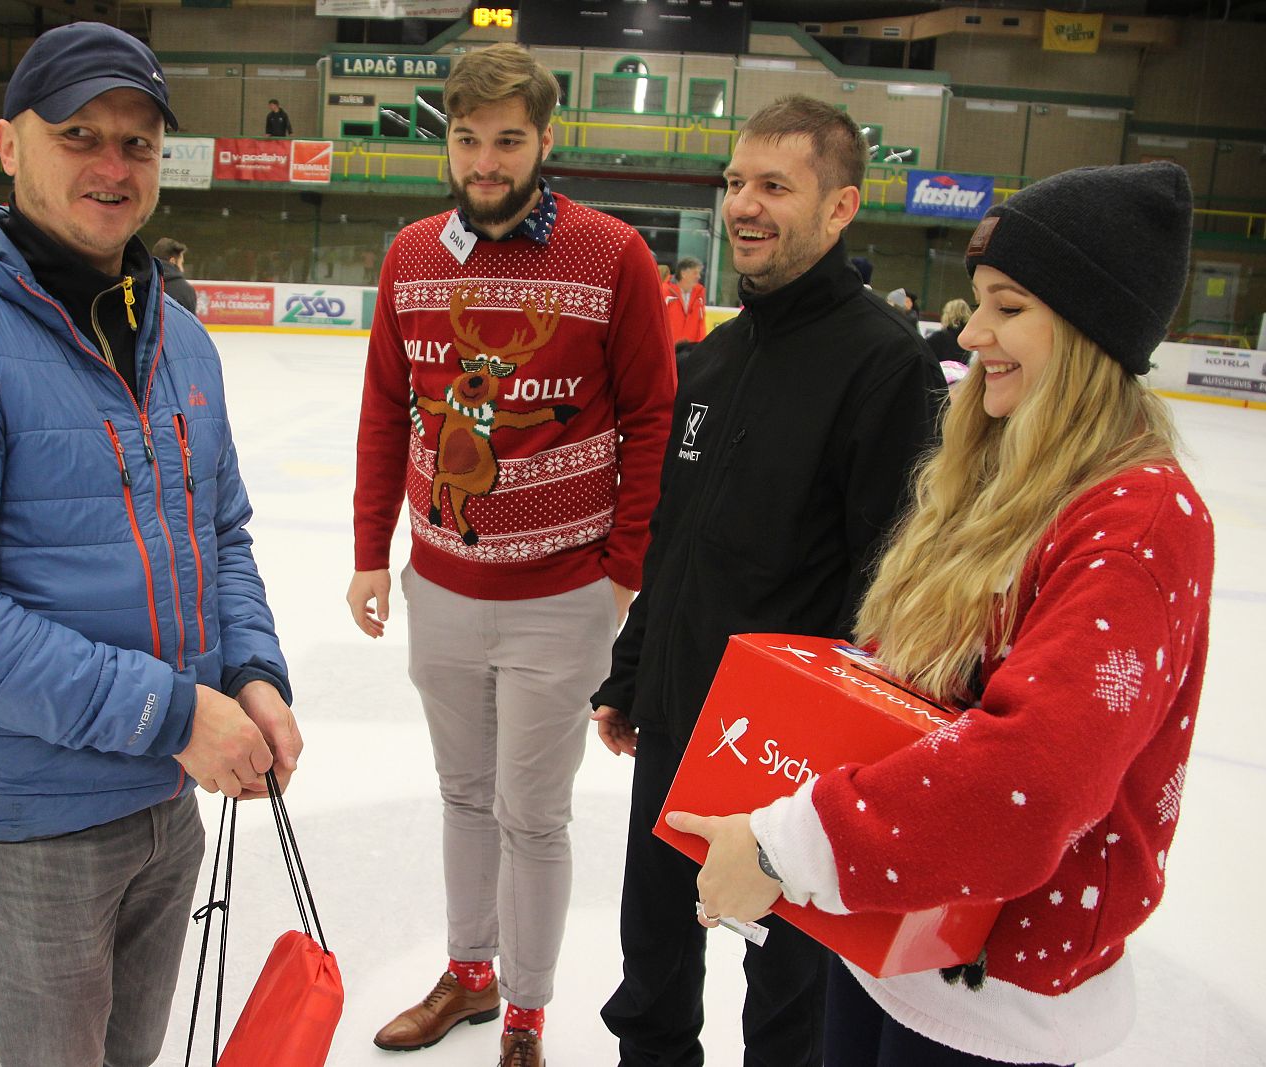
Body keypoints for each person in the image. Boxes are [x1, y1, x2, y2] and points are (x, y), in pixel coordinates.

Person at [674, 161, 1210, 1067]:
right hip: (889, 936)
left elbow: (1032, 779)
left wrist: (785, 847)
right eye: (979, 302)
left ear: (1090, 329)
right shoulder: (1006, 475)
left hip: (994, 994)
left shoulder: (1138, 520)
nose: (973, 332)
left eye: (1010, 307)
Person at [0, 23, 300, 1066]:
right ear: (10, 145)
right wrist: (171, 711)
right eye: (79, 135)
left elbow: (220, 534)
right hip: (31, 826)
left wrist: (251, 671)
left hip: (167, 800)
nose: (112, 165)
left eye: (137, 144)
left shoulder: (181, 340)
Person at [590, 94, 945, 1067]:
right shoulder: (716, 355)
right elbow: (677, 535)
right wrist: (635, 669)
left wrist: (845, 766)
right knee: (652, 964)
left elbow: (892, 591)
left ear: (840, 207)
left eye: (775, 186)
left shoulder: (885, 366)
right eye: (736, 181)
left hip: (796, 761)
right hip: (680, 717)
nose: (744, 204)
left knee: (789, 999)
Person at [348, 42, 676, 1067]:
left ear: (544, 140)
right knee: (462, 794)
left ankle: (527, 1013)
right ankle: (470, 974)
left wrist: (623, 568)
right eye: (466, 139)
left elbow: (651, 416)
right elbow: (386, 407)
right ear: (446, 142)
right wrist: (370, 549)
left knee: (531, 814)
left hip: (563, 593)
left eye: (506, 140)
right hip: (440, 582)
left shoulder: (612, 254)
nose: (484, 162)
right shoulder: (412, 255)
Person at [662, 255, 707, 346]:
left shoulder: (699, 295)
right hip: (669, 348)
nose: (698, 276)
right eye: (695, 273)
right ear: (683, 273)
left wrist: (701, 346)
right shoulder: (664, 292)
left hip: (690, 350)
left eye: (699, 273)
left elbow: (701, 325)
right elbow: (658, 323)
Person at [151, 236, 198, 314]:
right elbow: (190, 320)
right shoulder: (186, 290)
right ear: (173, 261)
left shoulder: (143, 282)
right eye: (181, 263)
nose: (182, 269)